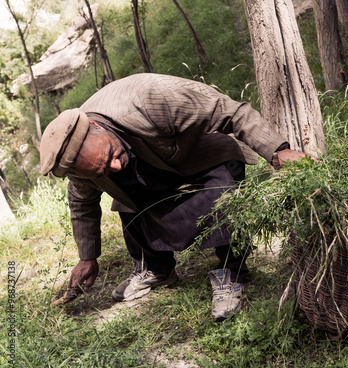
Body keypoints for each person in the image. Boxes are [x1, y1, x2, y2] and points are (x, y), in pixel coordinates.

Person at [40, 73, 312, 321]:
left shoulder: (150, 98)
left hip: (199, 157)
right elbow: (82, 204)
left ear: (96, 127)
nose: (112, 166)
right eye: (100, 169)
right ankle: (157, 269)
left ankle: (231, 271)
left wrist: (278, 150)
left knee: (222, 196)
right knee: (122, 196)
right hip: (153, 170)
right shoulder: (81, 166)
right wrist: (88, 257)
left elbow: (231, 111)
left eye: (110, 155)